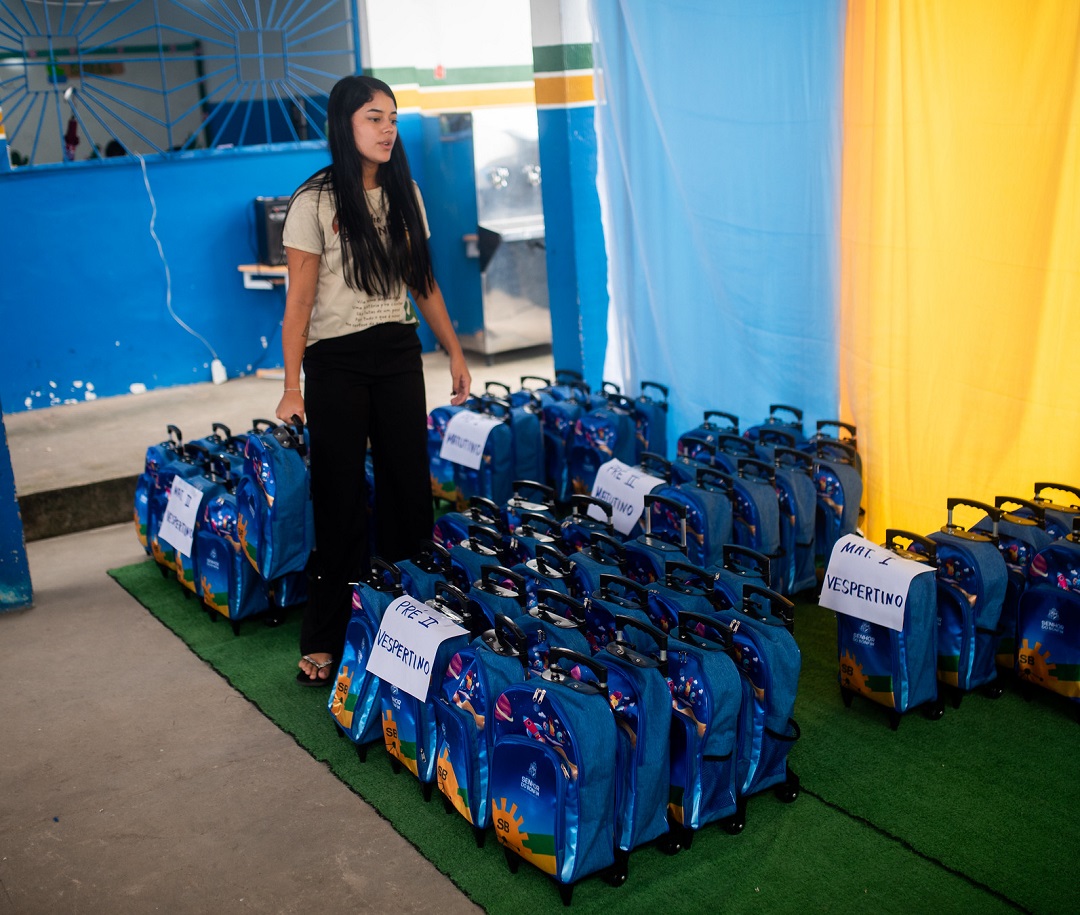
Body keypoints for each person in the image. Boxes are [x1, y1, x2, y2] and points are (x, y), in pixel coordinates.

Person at [277, 75, 471, 685]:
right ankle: (327, 637)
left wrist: (454, 350)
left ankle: (414, 629)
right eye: (373, 118)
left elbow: (424, 282)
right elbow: (300, 304)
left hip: (396, 353)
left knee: (409, 492)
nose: (388, 129)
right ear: (345, 125)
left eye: (391, 117)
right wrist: (291, 387)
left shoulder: (404, 192)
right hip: (333, 361)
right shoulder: (313, 202)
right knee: (338, 500)